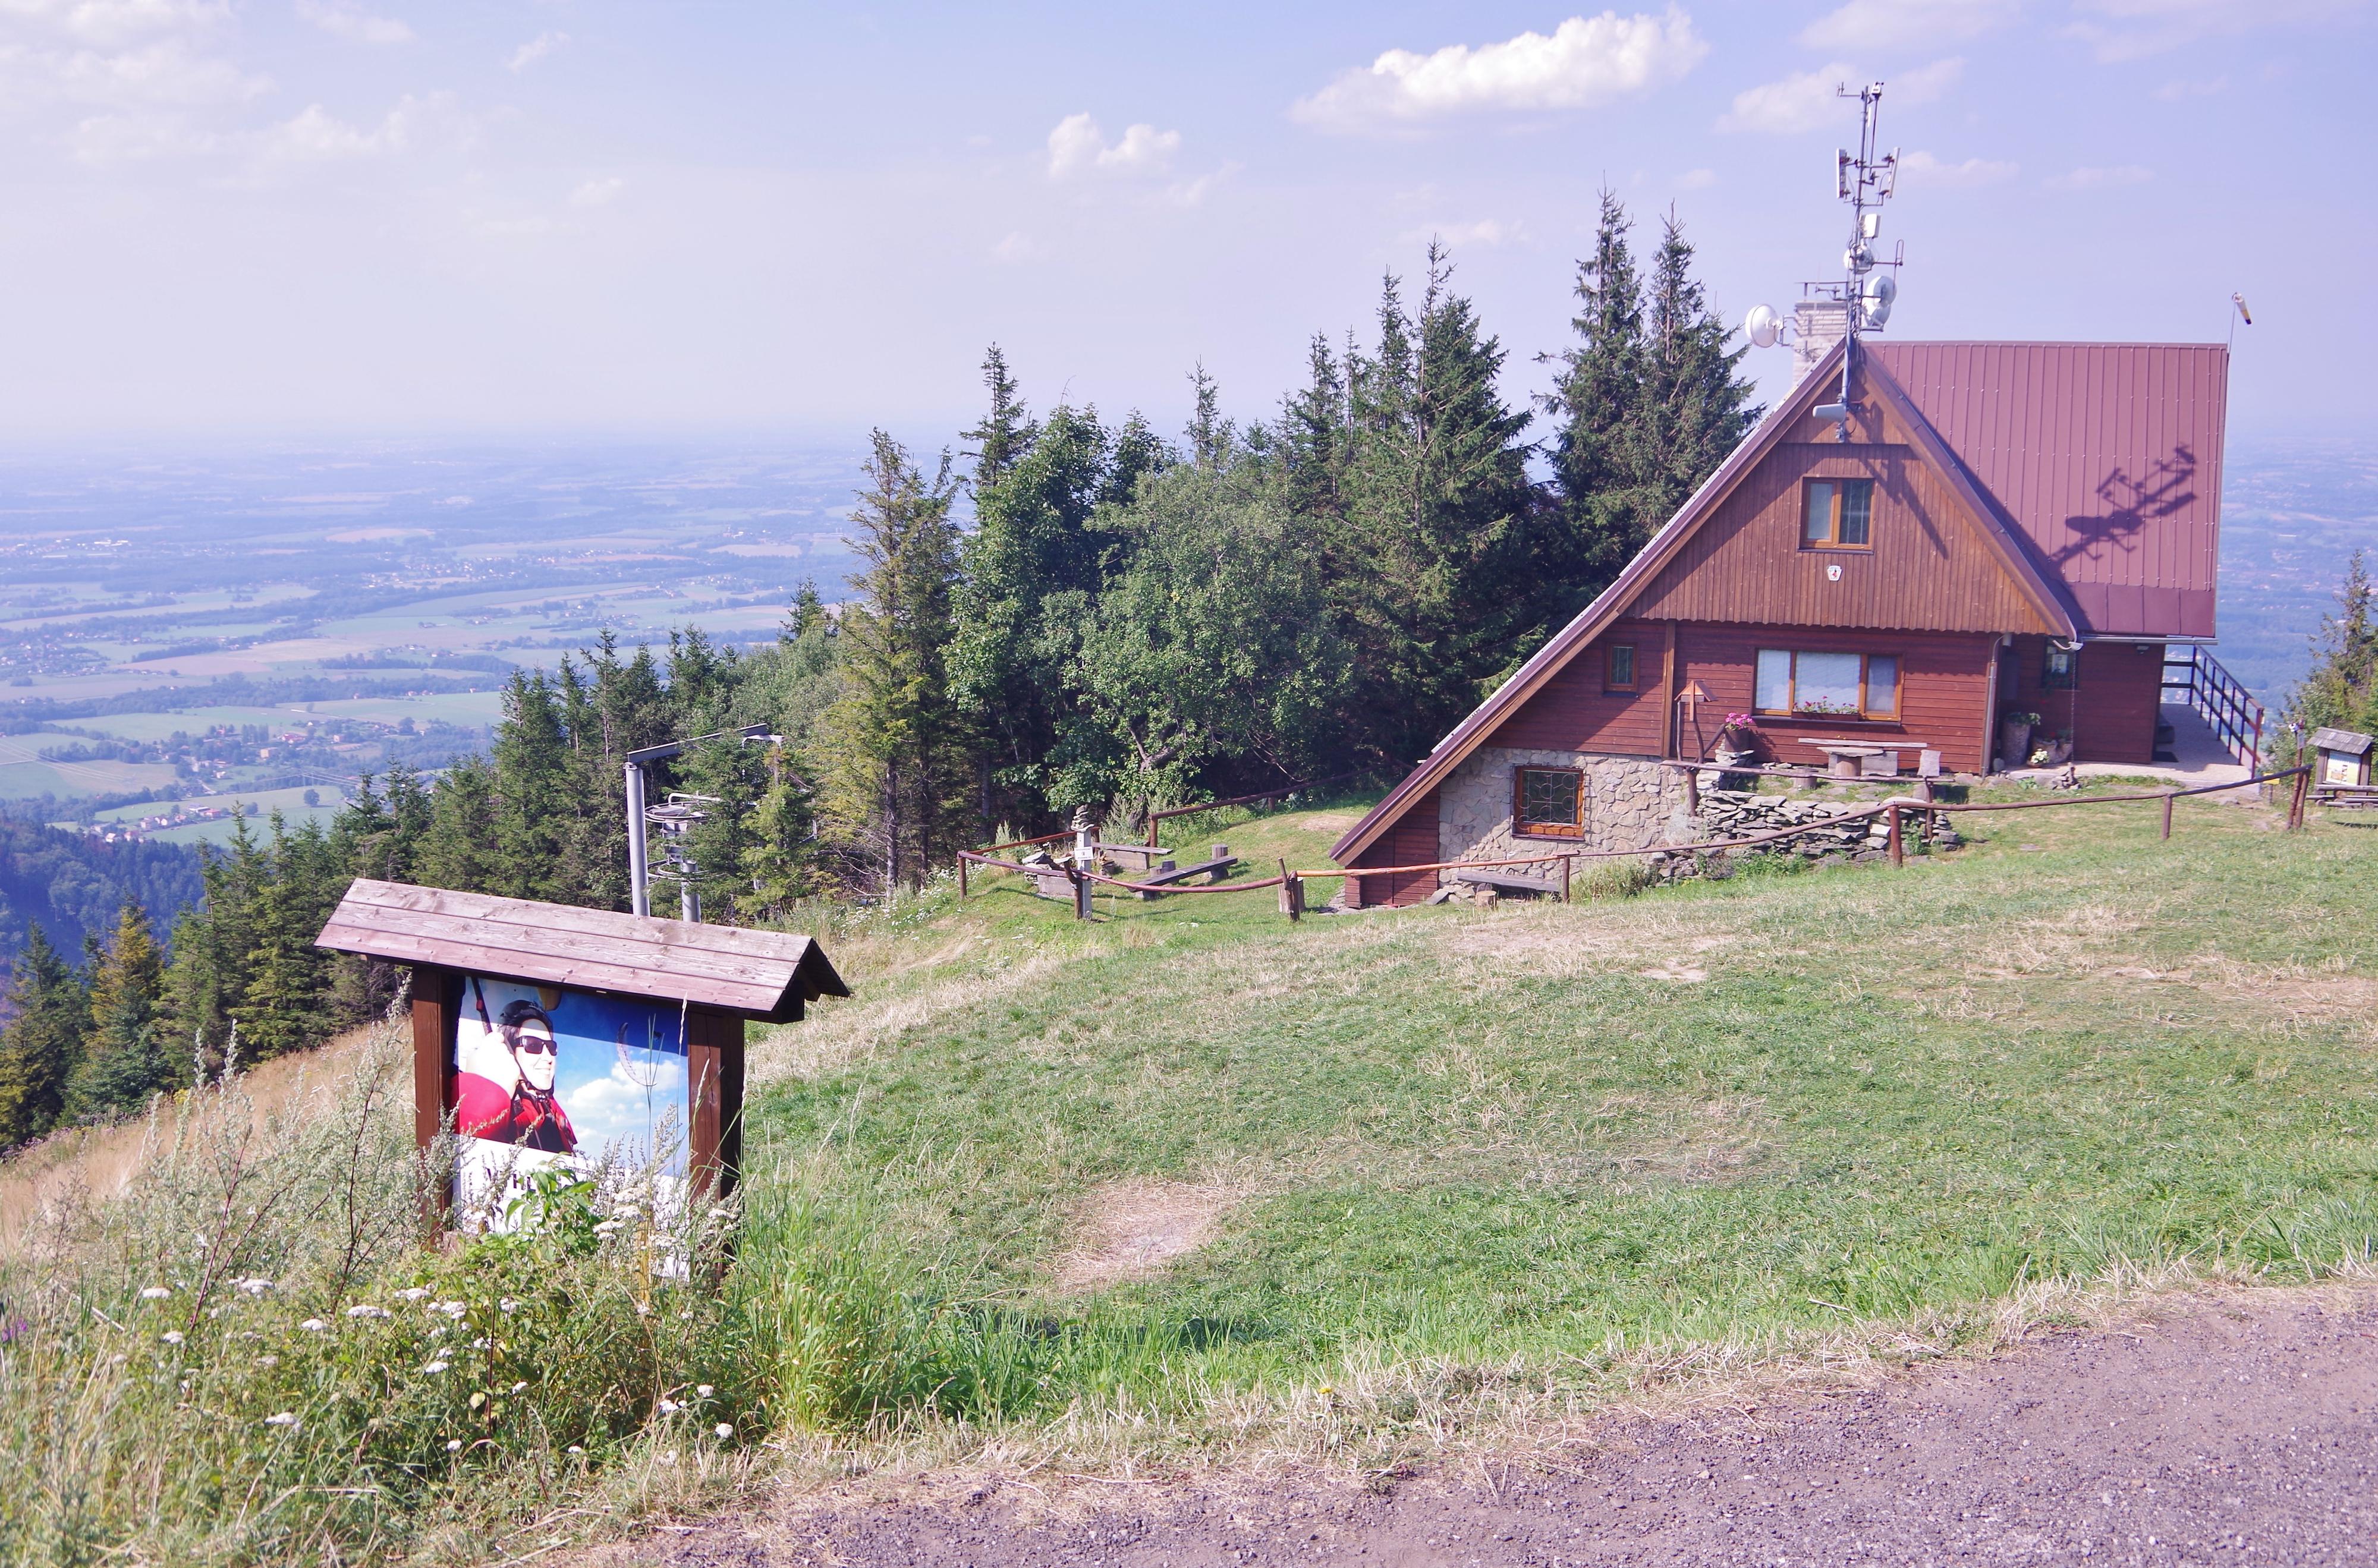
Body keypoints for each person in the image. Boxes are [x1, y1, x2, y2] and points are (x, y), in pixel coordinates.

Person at [454, 998, 578, 1154]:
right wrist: (484, 1089)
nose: (549, 1058)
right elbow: (465, 1153)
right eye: (533, 1045)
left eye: (551, 1047)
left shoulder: (550, 1109)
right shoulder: (505, 1109)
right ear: (510, 1051)